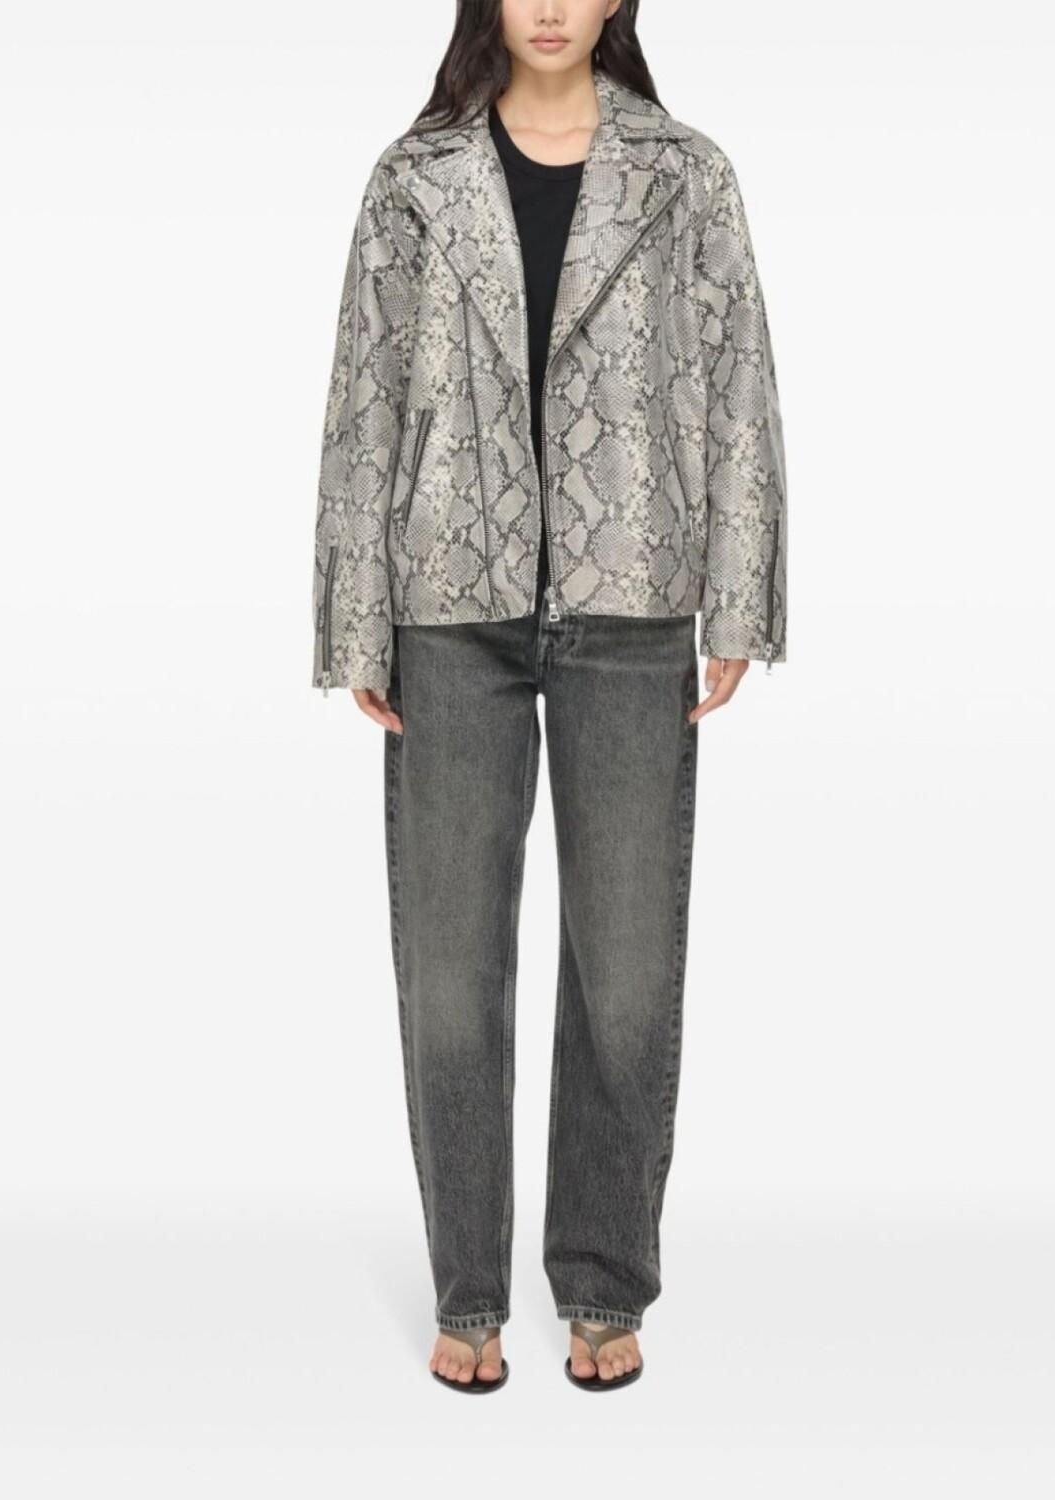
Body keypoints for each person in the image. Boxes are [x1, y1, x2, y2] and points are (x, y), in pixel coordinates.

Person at [310, 0, 787, 1393]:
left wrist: (738, 596)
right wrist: (356, 619)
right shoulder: (414, 177)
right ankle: (468, 1291)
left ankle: (601, 1280)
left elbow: (739, 382)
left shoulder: (684, 174)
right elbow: (362, 400)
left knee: (627, 975)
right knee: (451, 974)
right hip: (446, 600)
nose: (552, 3)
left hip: (632, 589)